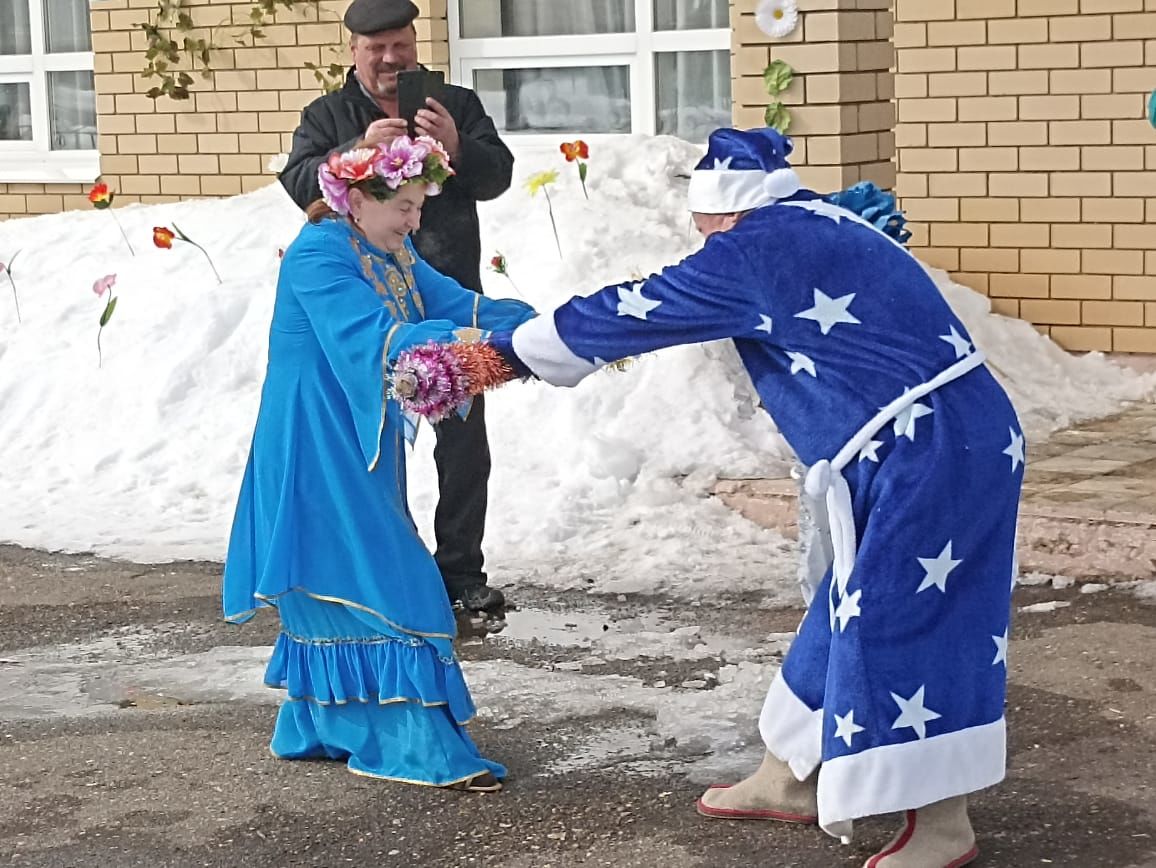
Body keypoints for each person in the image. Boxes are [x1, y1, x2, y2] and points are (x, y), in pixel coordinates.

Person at [490, 128, 1023, 867]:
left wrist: (509, 350)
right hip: (940, 438)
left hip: (928, 451)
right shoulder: (817, 218)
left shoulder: (748, 253)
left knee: (907, 615)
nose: (699, 237)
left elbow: (638, 308)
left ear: (721, 213)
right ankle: (788, 778)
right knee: (855, 600)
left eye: (702, 223)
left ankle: (941, 823)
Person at [222, 137, 535, 790]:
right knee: (389, 576)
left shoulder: (385, 249)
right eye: (408, 208)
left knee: (351, 569)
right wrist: (491, 346)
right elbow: (377, 337)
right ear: (358, 200)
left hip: (355, 437)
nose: (416, 221)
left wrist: (542, 325)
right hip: (313, 439)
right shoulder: (318, 255)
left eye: (421, 207)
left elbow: (454, 303)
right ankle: (411, 745)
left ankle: (325, 724)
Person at [279, 0, 514, 615]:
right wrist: (356, 149)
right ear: (353, 49)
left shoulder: (454, 104)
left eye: (400, 46)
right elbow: (300, 182)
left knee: (463, 443)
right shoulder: (328, 114)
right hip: (365, 302)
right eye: (375, 47)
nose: (389, 58)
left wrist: (457, 146)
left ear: (414, 43)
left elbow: (497, 178)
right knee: (376, 440)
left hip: (444, 290)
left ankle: (461, 572)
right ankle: (391, 569)